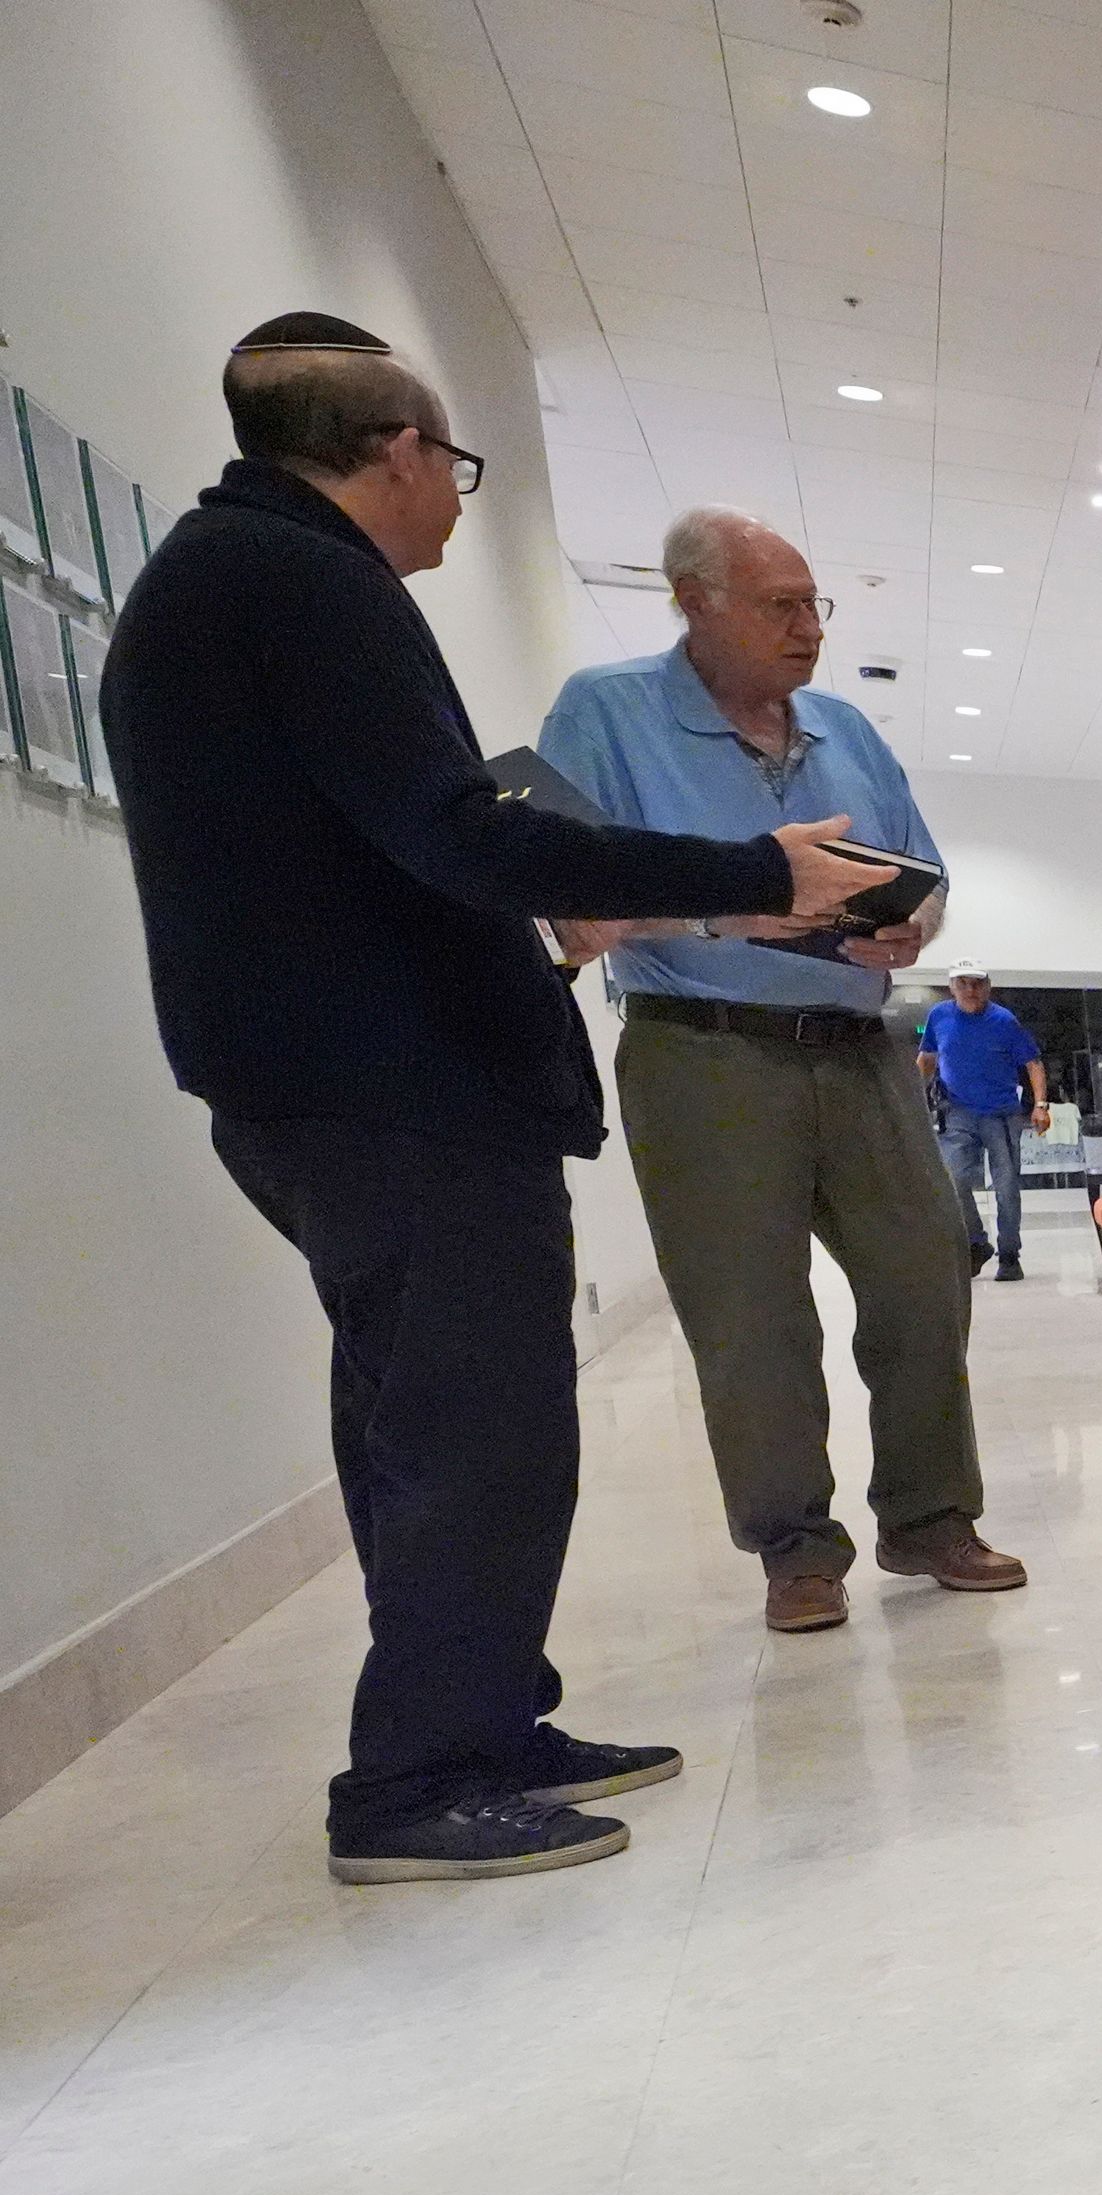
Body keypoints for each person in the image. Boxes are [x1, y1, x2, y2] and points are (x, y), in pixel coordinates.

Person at [96, 313, 895, 1883]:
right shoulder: (298, 581)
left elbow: (396, 845)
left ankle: (476, 1722)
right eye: (450, 466)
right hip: (391, 1086)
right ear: (393, 451)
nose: (455, 500)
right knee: (476, 1432)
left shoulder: (237, 579)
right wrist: (752, 875)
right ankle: (416, 1780)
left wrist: (599, 905)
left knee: (426, 1420)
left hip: (339, 1077)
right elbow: (462, 830)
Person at [539, 508, 1029, 1636]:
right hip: (702, 1048)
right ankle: (796, 1546)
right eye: (781, 605)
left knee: (925, 1276)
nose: (809, 628)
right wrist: (733, 902)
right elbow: (563, 895)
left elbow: (927, 873)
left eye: (816, 605)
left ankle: (930, 1516)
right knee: (750, 1319)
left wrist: (914, 929)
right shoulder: (604, 712)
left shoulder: (846, 726)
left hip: (861, 1049)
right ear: (694, 600)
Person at [920, 962, 1044, 1279]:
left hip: (1001, 1115)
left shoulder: (1004, 1021)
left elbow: (1033, 1064)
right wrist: (910, 1098)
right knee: (954, 1180)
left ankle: (1009, 1254)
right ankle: (976, 1242)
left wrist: (1041, 1105)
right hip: (957, 1113)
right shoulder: (939, 1016)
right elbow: (927, 1061)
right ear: (951, 987)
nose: (970, 990)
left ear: (988, 986)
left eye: (977, 984)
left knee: (1005, 1187)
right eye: (963, 983)